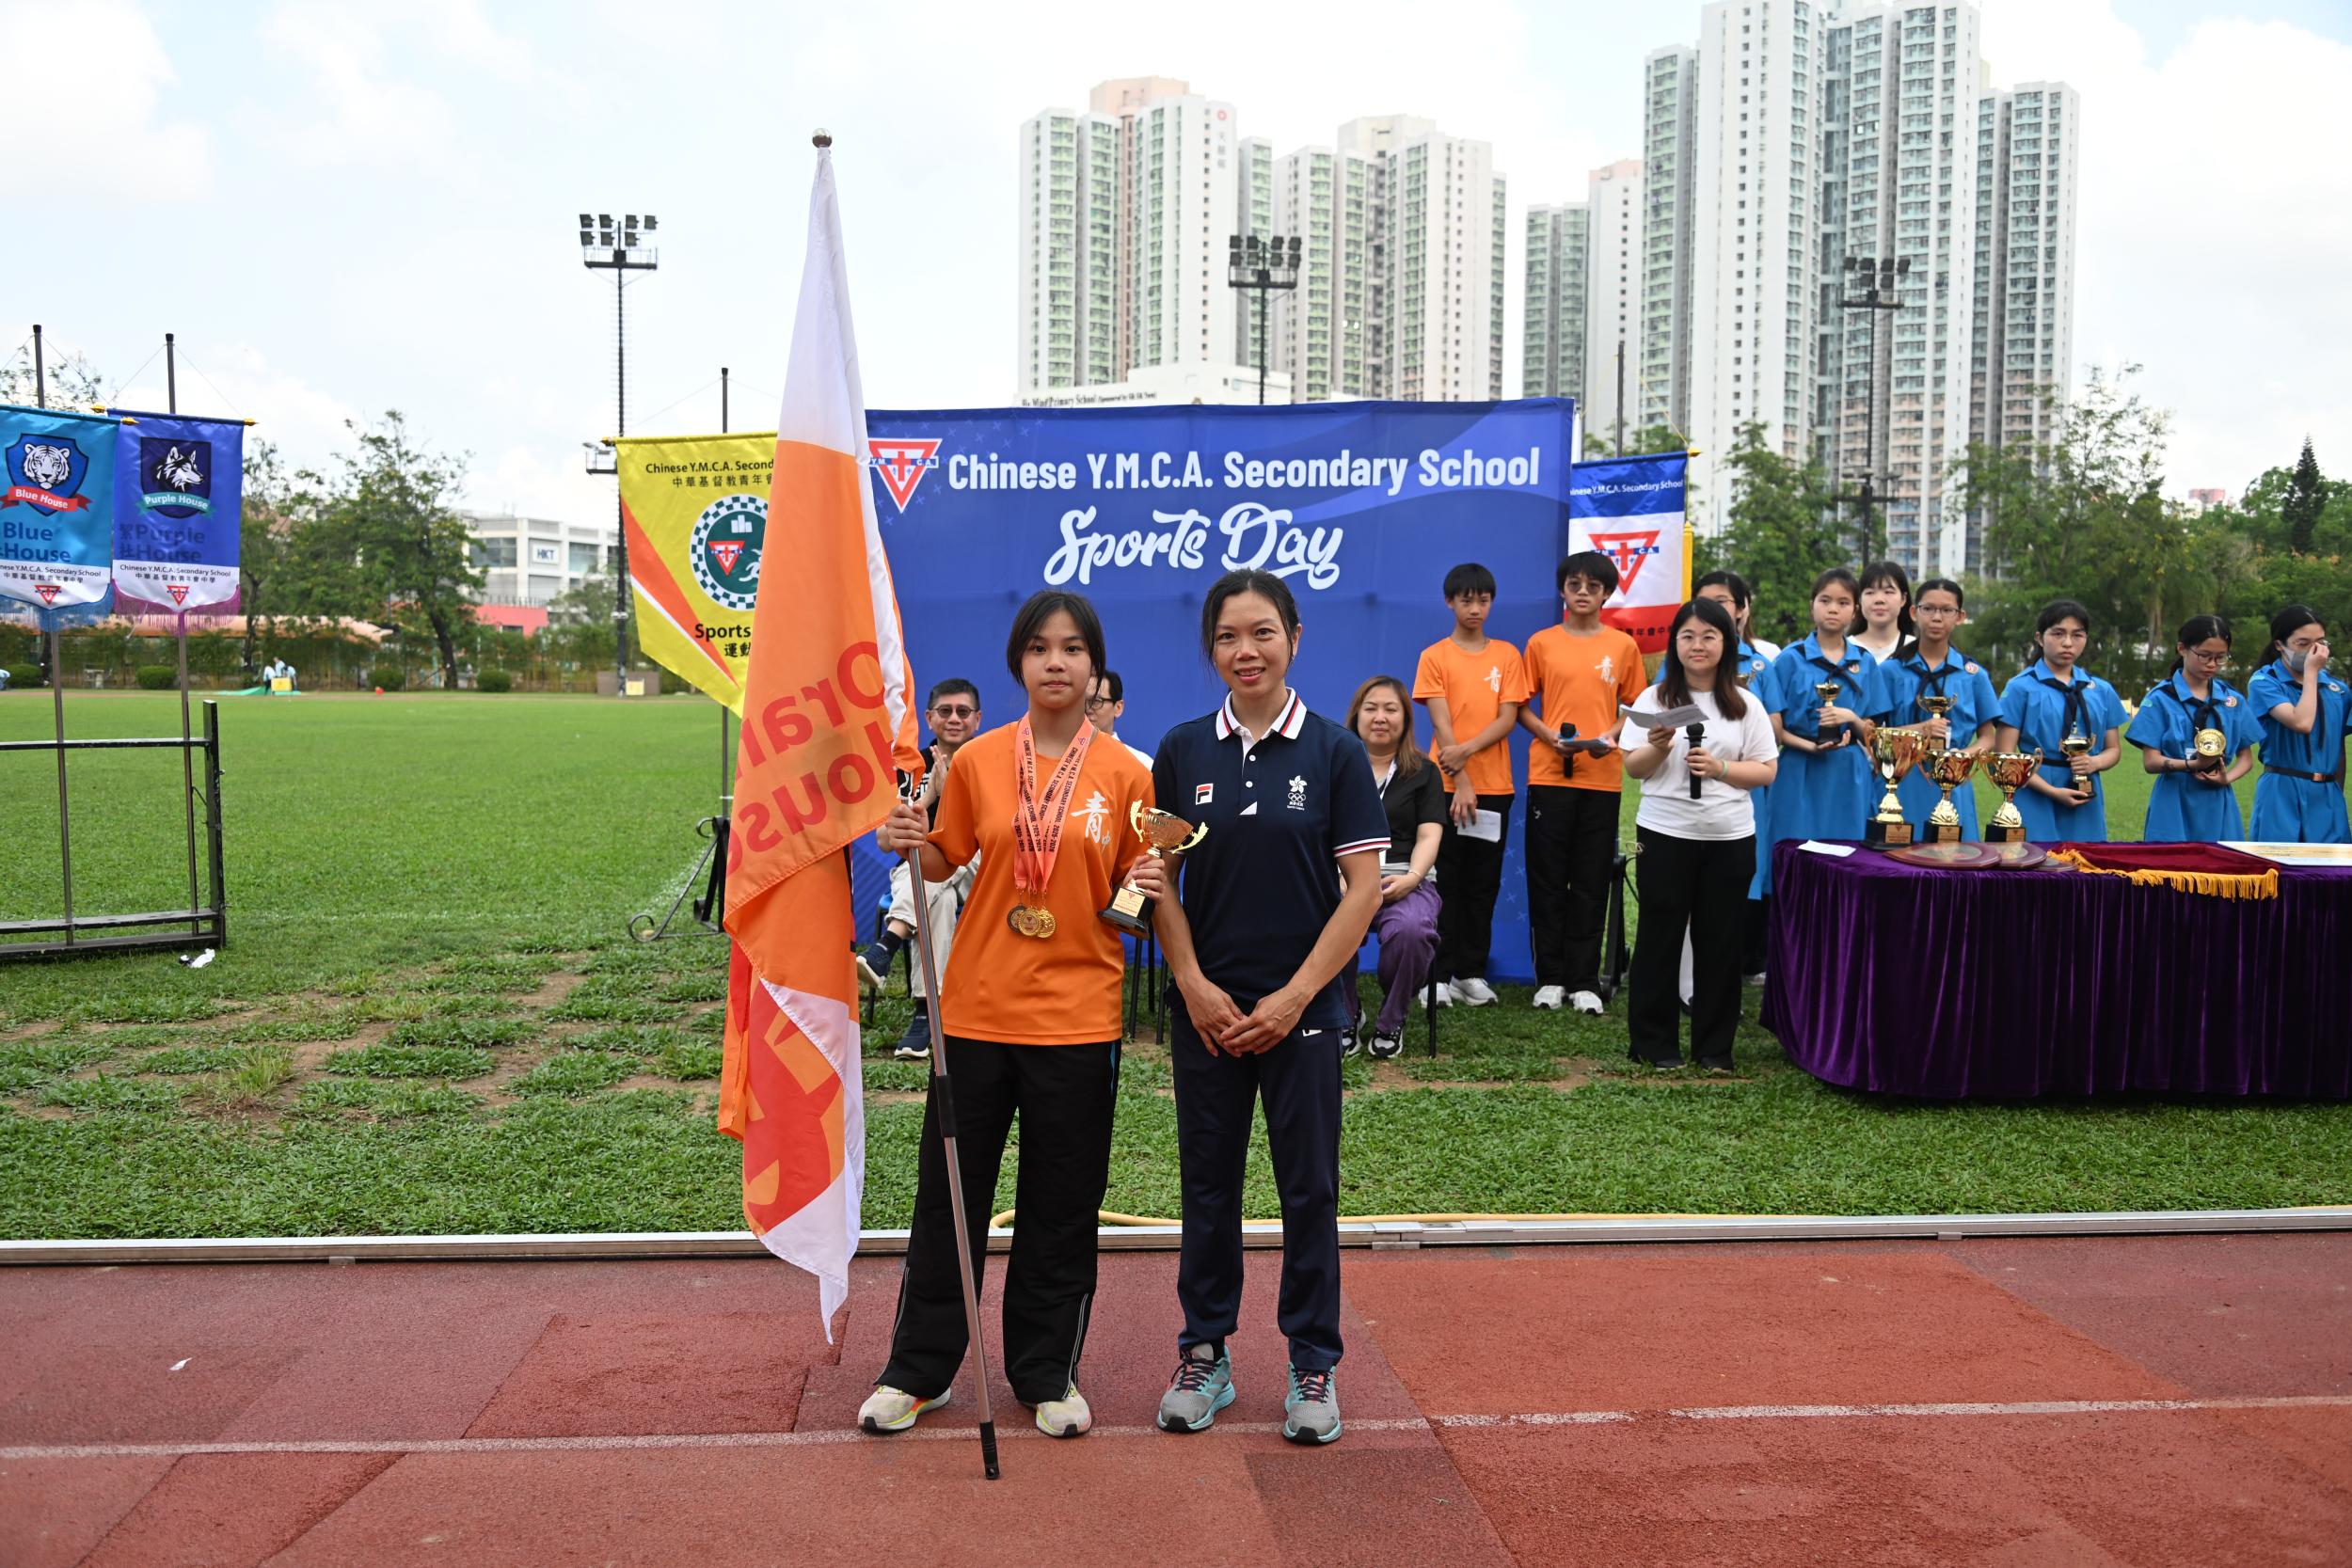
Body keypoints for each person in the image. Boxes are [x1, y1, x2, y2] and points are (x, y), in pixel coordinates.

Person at [861, 591, 1158, 1442]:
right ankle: (918, 1370)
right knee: (949, 1199)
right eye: (1039, 647)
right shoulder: (982, 759)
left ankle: (1045, 1370)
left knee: (1061, 1206)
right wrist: (903, 835)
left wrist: (1150, 885)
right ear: (1018, 662)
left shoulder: (1127, 774)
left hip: (1078, 1020)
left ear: (1095, 666)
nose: (1056, 662)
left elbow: (1136, 895)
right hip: (978, 1013)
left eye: (1072, 648)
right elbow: (943, 855)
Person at [1152, 569, 1388, 1447]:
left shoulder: (1333, 752)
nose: (1245, 651)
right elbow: (1158, 880)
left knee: (1308, 1188)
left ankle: (1312, 1361)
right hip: (1208, 1014)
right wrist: (1192, 982)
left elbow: (1363, 891)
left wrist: (1295, 996)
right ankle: (1204, 1353)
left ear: (1294, 637)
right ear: (1209, 647)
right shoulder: (1183, 749)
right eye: (1227, 636)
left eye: (1262, 633)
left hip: (1305, 1012)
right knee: (1207, 1186)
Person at [1623, 599, 1778, 1072]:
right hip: (1665, 833)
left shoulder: (1745, 704)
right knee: (1660, 936)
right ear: (1674, 643)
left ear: (1726, 643)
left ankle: (1714, 1048)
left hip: (1729, 839)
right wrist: (1656, 747)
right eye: (1688, 636)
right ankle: (1653, 1044)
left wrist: (1721, 768)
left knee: (1721, 941)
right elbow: (1634, 768)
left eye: (1709, 636)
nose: (1698, 645)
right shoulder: (1654, 700)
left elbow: (1766, 770)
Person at [1517, 550, 1645, 1015]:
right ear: (1563, 591)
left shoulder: (1623, 646)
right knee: (1548, 878)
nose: (1584, 592)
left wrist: (1609, 736)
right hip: (1549, 775)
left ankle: (1585, 979)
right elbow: (1520, 705)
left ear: (1607, 593)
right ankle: (1550, 978)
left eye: (1594, 586)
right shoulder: (1541, 643)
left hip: (1601, 778)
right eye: (1575, 584)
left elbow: (1635, 706)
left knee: (1591, 879)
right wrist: (1550, 736)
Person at [1412, 562, 1528, 1007]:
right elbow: (1441, 722)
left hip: (1495, 787)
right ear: (1450, 602)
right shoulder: (1435, 656)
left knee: (1483, 883)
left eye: (1483, 600)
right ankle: (1437, 975)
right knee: (1442, 880)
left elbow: (1508, 717)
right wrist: (1460, 777)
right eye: (1466, 600)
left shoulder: (1508, 656)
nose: (1475, 608)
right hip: (1442, 787)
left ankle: (1470, 972)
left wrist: (1466, 752)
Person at [859, 679, 982, 1059]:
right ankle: (927, 1014)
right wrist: (930, 795)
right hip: (920, 868)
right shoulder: (911, 768)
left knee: (951, 862)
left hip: (980, 870)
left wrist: (956, 792)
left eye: (963, 712)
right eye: (945, 711)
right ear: (929, 718)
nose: (954, 718)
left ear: (977, 719)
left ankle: (888, 943)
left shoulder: (990, 762)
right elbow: (885, 840)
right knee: (938, 899)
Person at [1755, 568, 1886, 886]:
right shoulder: (1789, 659)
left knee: (1849, 858)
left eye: (1843, 602)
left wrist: (1851, 718)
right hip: (1798, 767)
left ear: (1855, 611)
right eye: (1825, 600)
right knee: (1792, 852)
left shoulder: (1865, 662)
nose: (1833, 609)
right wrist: (1809, 746)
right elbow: (1773, 727)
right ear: (1812, 605)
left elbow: (1876, 734)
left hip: (1849, 772)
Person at [1343, 674, 1444, 1058]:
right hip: (1346, 878)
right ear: (1357, 716)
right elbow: (1320, 833)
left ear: (1405, 719)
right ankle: (1346, 1015)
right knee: (1317, 917)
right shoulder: (1336, 768)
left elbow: (1429, 836)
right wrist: (1338, 877)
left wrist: (1413, 878)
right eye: (1371, 708)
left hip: (1406, 878)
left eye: (1391, 709)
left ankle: (1392, 1018)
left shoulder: (1424, 772)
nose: (1380, 717)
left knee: (1412, 931)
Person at [1695, 568, 1777, 979]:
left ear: (1742, 609)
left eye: (1723, 602)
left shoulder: (1762, 664)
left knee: (1744, 871)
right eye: (1704, 601)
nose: (1713, 609)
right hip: (1689, 788)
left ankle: (1743, 960)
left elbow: (1774, 729)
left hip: (1743, 786)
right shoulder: (1681, 660)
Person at [1995, 599, 2127, 842]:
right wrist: (2052, 791)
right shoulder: (2020, 687)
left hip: (2086, 792)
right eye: (2058, 634)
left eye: (2077, 635)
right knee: (2037, 859)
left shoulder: (2101, 690)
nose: (2068, 643)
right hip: (2035, 789)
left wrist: (2094, 763)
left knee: (2086, 859)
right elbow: (2005, 755)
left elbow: (2114, 749)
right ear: (2039, 638)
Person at [1880, 578, 2001, 839]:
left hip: (1953, 779)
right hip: (1902, 778)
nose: (1937, 617)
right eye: (1929, 609)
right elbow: (1875, 733)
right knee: (1901, 855)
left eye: (1947, 610)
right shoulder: (1890, 670)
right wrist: (1919, 730)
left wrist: (1962, 758)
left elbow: (1988, 737)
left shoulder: (1973, 675)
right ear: (1914, 612)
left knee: (1954, 857)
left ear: (1960, 617)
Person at [2127, 615, 2264, 843]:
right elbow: (2151, 762)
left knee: (2223, 863)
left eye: (2220, 657)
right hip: (2173, 800)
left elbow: (2246, 758)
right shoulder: (2160, 699)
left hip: (2218, 799)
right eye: (2204, 655)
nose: (2212, 664)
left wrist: (2226, 778)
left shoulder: (2232, 700)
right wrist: (2194, 765)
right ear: (2182, 648)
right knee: (2172, 862)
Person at [2248, 606, 2350, 843]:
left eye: (2320, 642)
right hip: (2281, 791)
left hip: (2327, 793)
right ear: (2279, 645)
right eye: (2303, 643)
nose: (2314, 651)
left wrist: (2336, 794)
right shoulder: (2265, 682)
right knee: (2279, 863)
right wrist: (2311, 673)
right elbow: (2301, 722)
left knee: (2332, 865)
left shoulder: (2338, 690)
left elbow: (2338, 749)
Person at [1086, 667, 1153, 767]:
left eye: (1096, 701)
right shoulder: (1062, 756)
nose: (1087, 709)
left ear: (1118, 708)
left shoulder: (1141, 764)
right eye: (1081, 701)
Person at [1853, 560, 1915, 665]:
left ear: (1903, 599)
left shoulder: (1916, 649)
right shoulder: (1844, 649)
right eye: (1870, 592)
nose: (1879, 600)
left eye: (1888, 592)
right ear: (1859, 599)